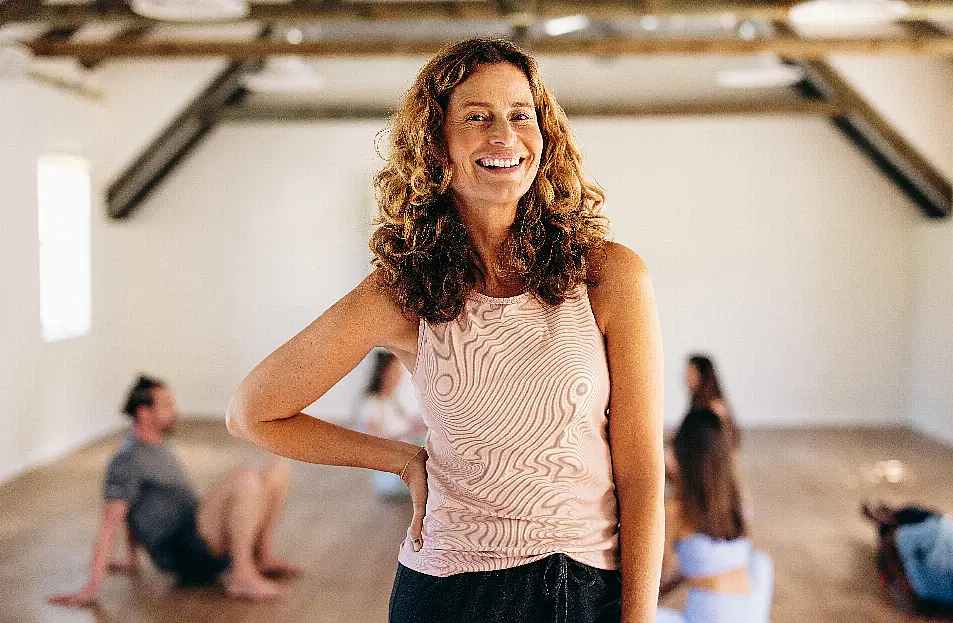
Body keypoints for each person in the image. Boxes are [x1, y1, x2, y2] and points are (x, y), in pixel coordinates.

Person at [227, 37, 664, 623]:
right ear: (437, 145)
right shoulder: (400, 291)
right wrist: (400, 460)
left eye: (520, 116)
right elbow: (252, 412)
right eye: (476, 118)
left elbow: (640, 475)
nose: (504, 137)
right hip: (450, 594)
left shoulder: (609, 275)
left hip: (584, 589)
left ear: (544, 134)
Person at [48, 375, 301, 606]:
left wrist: (131, 559)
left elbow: (133, 509)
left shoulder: (157, 445)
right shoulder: (127, 460)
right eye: (167, 405)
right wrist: (91, 586)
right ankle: (241, 575)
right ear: (144, 412)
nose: (174, 410)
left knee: (279, 467)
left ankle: (263, 555)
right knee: (244, 477)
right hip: (184, 549)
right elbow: (110, 521)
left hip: (198, 529)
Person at [657, 408, 773, 623]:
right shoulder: (736, 499)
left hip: (711, 616)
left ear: (682, 455)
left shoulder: (676, 510)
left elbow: (655, 582)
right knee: (759, 560)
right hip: (752, 611)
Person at [354, 350, 427, 498]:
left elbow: (410, 424)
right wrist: (409, 433)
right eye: (394, 372)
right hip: (390, 476)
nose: (398, 377)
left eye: (399, 372)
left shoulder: (393, 402)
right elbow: (373, 441)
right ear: (382, 373)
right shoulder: (372, 404)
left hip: (403, 466)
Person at [860, 500, 953, 614]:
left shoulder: (936, 527)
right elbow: (890, 542)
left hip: (925, 590)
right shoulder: (936, 528)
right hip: (921, 587)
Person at [666, 355, 737, 482]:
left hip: (704, 475)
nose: (685, 377)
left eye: (690, 372)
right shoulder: (697, 405)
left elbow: (726, 445)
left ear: (702, 375)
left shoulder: (715, 409)